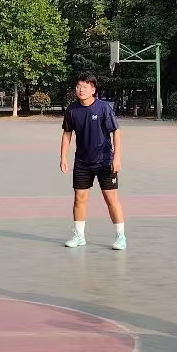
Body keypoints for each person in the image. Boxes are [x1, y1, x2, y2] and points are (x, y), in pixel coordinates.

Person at [59, 73, 126, 250]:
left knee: (111, 199)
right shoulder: (72, 110)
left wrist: (117, 157)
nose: (81, 90)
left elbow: (116, 132)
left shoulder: (103, 108)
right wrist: (63, 157)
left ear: (93, 90)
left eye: (85, 87)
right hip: (82, 162)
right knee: (79, 198)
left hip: (105, 161)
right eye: (78, 86)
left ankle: (121, 237)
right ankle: (79, 236)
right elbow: (67, 134)